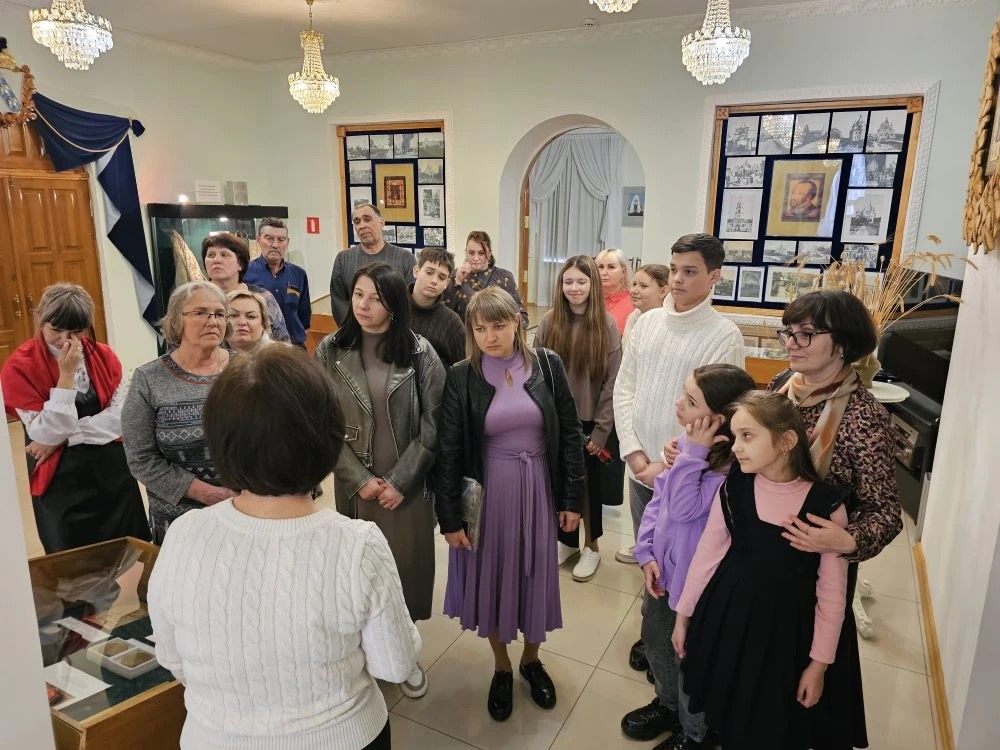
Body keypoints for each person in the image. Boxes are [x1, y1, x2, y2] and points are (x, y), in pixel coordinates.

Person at [148, 346, 421, 750]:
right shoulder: (357, 545)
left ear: (219, 440)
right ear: (328, 437)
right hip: (343, 737)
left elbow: (171, 659)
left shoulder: (184, 534)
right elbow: (395, 665)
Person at [672, 392, 853, 750]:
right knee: (727, 708)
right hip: (727, 621)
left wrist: (818, 665)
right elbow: (707, 555)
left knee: (768, 722)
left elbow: (832, 595)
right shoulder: (734, 488)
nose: (736, 447)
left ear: (786, 441)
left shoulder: (826, 507)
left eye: (748, 436)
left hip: (785, 639)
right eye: (735, 436)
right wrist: (683, 615)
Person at [436, 286, 583, 722]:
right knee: (494, 576)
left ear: (517, 322)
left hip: (537, 485)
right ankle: (502, 665)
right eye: (480, 328)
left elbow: (570, 435)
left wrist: (572, 498)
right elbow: (448, 451)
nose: (489, 337)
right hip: (489, 493)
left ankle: (531, 660)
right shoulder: (461, 376)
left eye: (498, 326)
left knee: (535, 573)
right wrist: (449, 518)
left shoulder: (548, 365)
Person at [769, 289, 904, 748]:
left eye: (806, 334)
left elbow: (885, 511)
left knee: (805, 675)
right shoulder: (782, 387)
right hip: (765, 555)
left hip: (816, 570)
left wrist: (847, 541)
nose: (792, 342)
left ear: (842, 344)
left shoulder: (864, 417)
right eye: (789, 332)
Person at [612, 233, 743, 680]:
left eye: (690, 271)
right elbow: (625, 389)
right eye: (674, 269)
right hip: (640, 467)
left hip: (687, 478)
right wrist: (635, 455)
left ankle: (673, 647)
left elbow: (716, 414)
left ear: (714, 276)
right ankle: (652, 635)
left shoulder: (723, 335)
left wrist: (666, 465)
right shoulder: (646, 322)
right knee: (649, 554)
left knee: (681, 563)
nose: (678, 279)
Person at [316, 262, 444, 700]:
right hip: (357, 484)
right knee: (357, 573)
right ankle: (365, 655)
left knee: (404, 570)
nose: (364, 305)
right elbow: (321, 422)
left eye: (376, 297)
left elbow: (434, 426)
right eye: (358, 295)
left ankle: (404, 655)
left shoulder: (420, 352)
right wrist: (358, 479)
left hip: (407, 486)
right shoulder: (331, 350)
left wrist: (400, 481)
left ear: (394, 303)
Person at [621, 364, 755, 749]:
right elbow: (659, 501)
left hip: (696, 589)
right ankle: (667, 704)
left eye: (691, 401)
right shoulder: (686, 446)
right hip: (662, 574)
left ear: (718, 420)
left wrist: (691, 454)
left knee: (689, 659)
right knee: (656, 639)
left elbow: (683, 508)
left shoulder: (732, 471)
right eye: (684, 393)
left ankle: (694, 732)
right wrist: (646, 552)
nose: (678, 404)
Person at [1, 283, 150, 553]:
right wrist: (66, 377)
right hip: (61, 479)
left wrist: (67, 437)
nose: (65, 340)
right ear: (40, 320)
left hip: (112, 472)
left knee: (127, 550)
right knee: (71, 556)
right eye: (56, 330)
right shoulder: (20, 366)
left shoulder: (103, 355)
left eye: (77, 331)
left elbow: (121, 417)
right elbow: (44, 433)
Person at [122, 281, 236, 543]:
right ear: (176, 320)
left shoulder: (249, 370)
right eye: (200, 312)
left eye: (219, 314)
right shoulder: (149, 379)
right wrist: (209, 494)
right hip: (179, 522)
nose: (213, 321)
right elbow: (141, 458)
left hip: (246, 511)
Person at [533, 255, 622, 582]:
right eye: (568, 281)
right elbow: (534, 372)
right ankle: (567, 542)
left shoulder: (606, 325)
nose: (574, 288)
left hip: (589, 423)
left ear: (592, 284)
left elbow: (613, 382)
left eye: (581, 281)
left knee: (588, 488)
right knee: (558, 482)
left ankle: (591, 546)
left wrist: (600, 431)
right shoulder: (549, 321)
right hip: (554, 420)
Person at [329, 203, 416, 326]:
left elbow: (409, 302)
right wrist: (352, 330)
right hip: (353, 331)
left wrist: (391, 329)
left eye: (367, 219)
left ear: (381, 223)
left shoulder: (405, 259)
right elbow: (338, 299)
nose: (362, 226)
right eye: (357, 222)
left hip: (394, 331)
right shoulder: (343, 259)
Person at [201, 231, 290, 343]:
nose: (216, 260)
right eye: (211, 255)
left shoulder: (263, 297)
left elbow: (282, 342)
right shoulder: (195, 299)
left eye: (224, 255)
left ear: (240, 264)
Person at [243, 218, 312, 347]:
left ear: (287, 242)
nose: (275, 245)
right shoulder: (245, 273)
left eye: (281, 239)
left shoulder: (299, 274)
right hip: (260, 348)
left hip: (294, 347)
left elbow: (304, 317)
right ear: (258, 240)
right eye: (269, 238)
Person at [442, 230, 528, 328]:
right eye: (471, 253)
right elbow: (444, 313)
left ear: (489, 253)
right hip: (463, 335)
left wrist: (503, 329)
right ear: (466, 253)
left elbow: (522, 317)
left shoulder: (504, 277)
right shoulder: (455, 275)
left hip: (495, 335)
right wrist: (457, 282)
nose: (476, 258)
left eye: (481, 253)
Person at [408, 247, 466, 367]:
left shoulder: (452, 322)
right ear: (416, 271)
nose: (434, 281)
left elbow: (462, 367)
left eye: (441, 277)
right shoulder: (391, 307)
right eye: (429, 273)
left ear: (446, 284)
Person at [623, 263, 670, 346]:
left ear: (663, 291)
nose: (634, 291)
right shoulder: (633, 316)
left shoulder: (669, 323)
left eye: (643, 286)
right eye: (634, 284)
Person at [595, 248, 633, 334]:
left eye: (611, 267)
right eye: (600, 267)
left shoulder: (633, 301)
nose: (604, 272)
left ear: (623, 272)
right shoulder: (590, 298)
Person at [225, 289, 273, 354]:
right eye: (233, 315)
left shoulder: (281, 356)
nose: (242, 322)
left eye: (251, 316)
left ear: (264, 323)